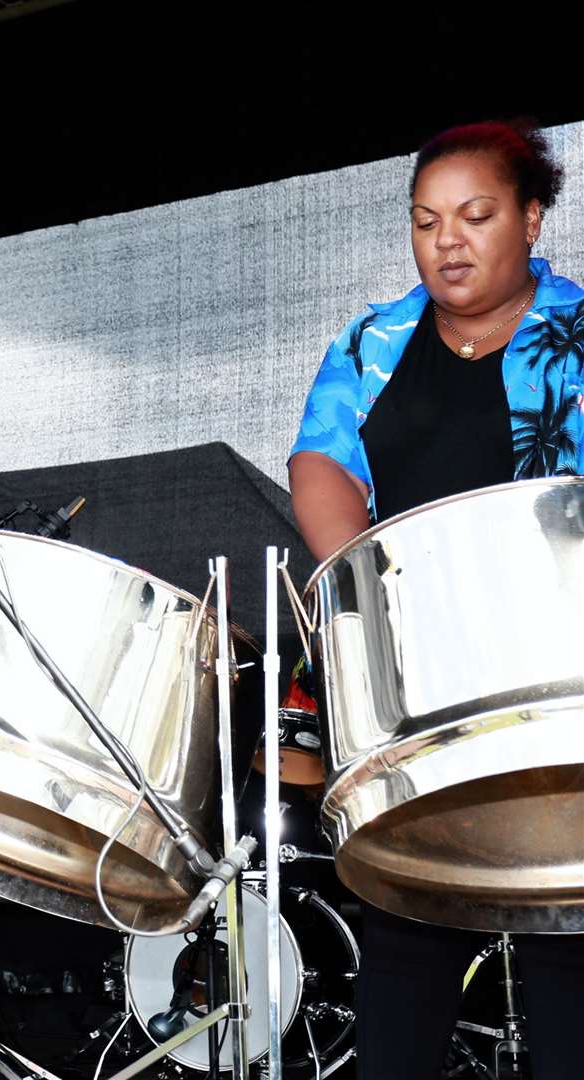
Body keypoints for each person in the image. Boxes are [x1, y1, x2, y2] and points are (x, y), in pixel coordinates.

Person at [288, 120, 584, 1078]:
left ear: (531, 219)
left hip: (557, 691)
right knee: (405, 949)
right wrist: (364, 587)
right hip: (412, 685)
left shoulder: (578, 337)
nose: (446, 240)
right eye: (425, 221)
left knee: (565, 954)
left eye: (475, 215)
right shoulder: (372, 339)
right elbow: (323, 463)